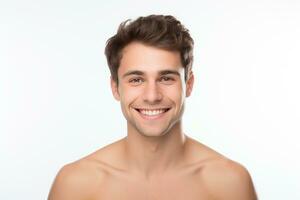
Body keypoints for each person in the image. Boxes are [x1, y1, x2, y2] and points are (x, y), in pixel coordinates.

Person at [48, 14, 257, 200]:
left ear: (189, 84)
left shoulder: (229, 183)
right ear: (115, 88)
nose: (152, 96)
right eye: (136, 80)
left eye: (166, 78)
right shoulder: (76, 185)